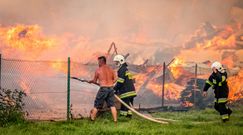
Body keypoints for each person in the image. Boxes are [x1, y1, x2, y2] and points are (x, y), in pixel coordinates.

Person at [88, 56, 117, 122]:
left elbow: (95, 81)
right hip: (111, 88)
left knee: (97, 105)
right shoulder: (111, 69)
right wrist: (110, 83)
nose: (98, 63)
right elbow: (116, 78)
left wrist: (91, 81)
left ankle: (92, 120)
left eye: (98, 62)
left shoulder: (98, 70)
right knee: (112, 105)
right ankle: (115, 121)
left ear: (101, 61)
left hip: (103, 89)